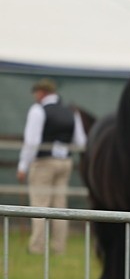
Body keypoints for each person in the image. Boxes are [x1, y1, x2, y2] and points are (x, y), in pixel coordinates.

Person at [17, 78, 87, 255]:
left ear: (41, 92)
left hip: (43, 163)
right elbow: (81, 142)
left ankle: (37, 247)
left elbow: (32, 142)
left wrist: (23, 165)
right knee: (60, 206)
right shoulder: (72, 112)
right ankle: (59, 247)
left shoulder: (38, 110)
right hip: (65, 163)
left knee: (40, 205)